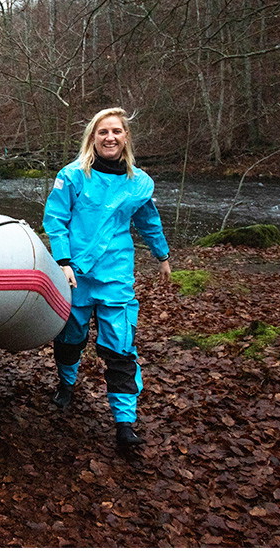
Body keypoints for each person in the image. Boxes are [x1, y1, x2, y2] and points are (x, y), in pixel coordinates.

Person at [42, 107, 171, 448]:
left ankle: (125, 423)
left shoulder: (138, 183)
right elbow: (55, 219)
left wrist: (162, 255)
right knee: (71, 337)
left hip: (116, 273)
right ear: (92, 138)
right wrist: (63, 261)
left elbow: (148, 220)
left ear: (125, 137)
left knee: (120, 347)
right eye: (103, 132)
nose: (110, 137)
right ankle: (66, 384)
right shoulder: (72, 176)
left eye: (116, 131)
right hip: (76, 274)